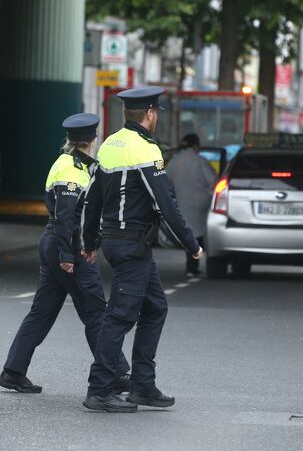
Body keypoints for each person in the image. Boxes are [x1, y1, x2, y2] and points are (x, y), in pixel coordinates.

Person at [81, 86, 204, 413]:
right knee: (119, 316)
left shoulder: (110, 143)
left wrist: (89, 240)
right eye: (157, 113)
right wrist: (192, 244)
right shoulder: (145, 151)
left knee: (155, 307)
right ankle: (100, 389)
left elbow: (92, 198)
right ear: (150, 114)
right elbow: (166, 204)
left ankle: (143, 386)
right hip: (132, 243)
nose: (157, 117)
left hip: (118, 240)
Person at [0, 113, 130, 394]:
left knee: (42, 312)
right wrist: (69, 256)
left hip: (54, 242)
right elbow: (66, 217)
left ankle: (13, 370)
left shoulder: (66, 162)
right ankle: (116, 372)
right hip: (68, 245)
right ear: (92, 140)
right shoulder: (72, 170)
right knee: (96, 311)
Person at [166, 133, 217, 276]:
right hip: (202, 203)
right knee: (200, 234)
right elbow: (213, 180)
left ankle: (191, 266)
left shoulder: (174, 161)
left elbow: (165, 180)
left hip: (181, 203)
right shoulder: (200, 161)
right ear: (195, 145)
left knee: (189, 233)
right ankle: (194, 266)